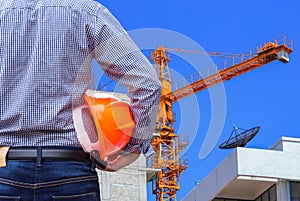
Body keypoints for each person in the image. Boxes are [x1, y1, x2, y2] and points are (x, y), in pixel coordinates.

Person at [0, 0, 161, 200]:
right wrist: (132, 148)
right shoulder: (87, 12)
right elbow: (147, 83)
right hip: (71, 171)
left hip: (3, 165)